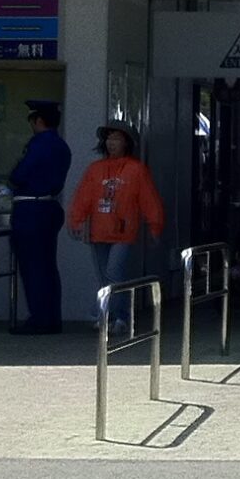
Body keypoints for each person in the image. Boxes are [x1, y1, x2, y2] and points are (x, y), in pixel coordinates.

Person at [66, 121, 165, 327]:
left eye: (117, 139)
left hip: (123, 231)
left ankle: (106, 313)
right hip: (98, 230)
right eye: (109, 138)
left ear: (126, 143)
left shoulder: (136, 170)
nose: (111, 143)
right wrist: (76, 220)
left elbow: (149, 200)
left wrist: (155, 225)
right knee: (105, 276)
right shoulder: (95, 169)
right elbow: (83, 198)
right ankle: (117, 316)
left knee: (113, 272)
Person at [5, 100, 71, 335]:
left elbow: (19, 175)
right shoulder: (61, 146)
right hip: (49, 206)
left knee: (33, 266)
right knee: (48, 266)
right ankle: (51, 317)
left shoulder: (39, 144)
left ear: (38, 120)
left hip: (31, 208)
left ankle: (40, 319)